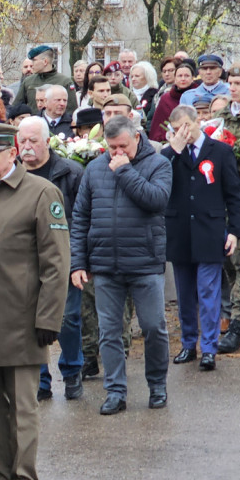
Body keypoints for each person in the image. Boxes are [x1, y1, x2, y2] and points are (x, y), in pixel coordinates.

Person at [0, 122, 69, 480]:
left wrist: (49, 318)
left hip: (23, 321)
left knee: (23, 409)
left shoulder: (41, 193)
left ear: (12, 152)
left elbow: (56, 263)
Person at [70, 116, 172, 414]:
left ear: (137, 138)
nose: (117, 153)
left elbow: (157, 200)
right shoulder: (94, 169)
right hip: (105, 265)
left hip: (145, 263)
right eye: (112, 147)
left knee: (154, 327)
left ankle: (157, 386)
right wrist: (79, 262)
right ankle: (115, 391)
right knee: (109, 332)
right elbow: (81, 219)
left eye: (122, 147)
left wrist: (126, 171)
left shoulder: (158, 165)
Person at [161, 105, 240, 370]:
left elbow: (233, 195)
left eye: (186, 126)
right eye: (176, 129)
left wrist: (234, 231)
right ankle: (188, 344)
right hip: (180, 232)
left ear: (199, 122)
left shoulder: (220, 151)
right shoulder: (169, 155)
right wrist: (173, 149)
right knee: (185, 294)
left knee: (208, 291)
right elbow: (159, 176)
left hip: (210, 230)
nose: (182, 133)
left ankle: (209, 348)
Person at [17, 116, 85, 401]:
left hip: (61, 259)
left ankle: (71, 371)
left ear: (47, 141)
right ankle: (40, 380)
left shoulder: (70, 172)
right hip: (24, 262)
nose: (27, 147)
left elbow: (81, 219)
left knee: (67, 318)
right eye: (22, 141)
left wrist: (79, 261)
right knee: (30, 320)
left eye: (33, 141)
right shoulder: (12, 174)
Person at [214, 62, 240, 353]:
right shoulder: (221, 115)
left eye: (238, 83)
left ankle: (238, 324)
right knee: (228, 261)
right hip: (223, 200)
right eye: (230, 82)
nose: (232, 87)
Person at [13, 46, 78, 114]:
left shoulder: (65, 82)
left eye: (34, 60)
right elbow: (16, 107)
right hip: (34, 123)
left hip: (57, 123)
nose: (32, 64)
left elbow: (71, 111)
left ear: (45, 61)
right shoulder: (28, 81)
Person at [150, 60, 199, 142]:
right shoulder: (166, 98)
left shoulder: (199, 96)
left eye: (186, 76)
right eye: (180, 76)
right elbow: (158, 126)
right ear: (175, 79)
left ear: (192, 78)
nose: (183, 79)